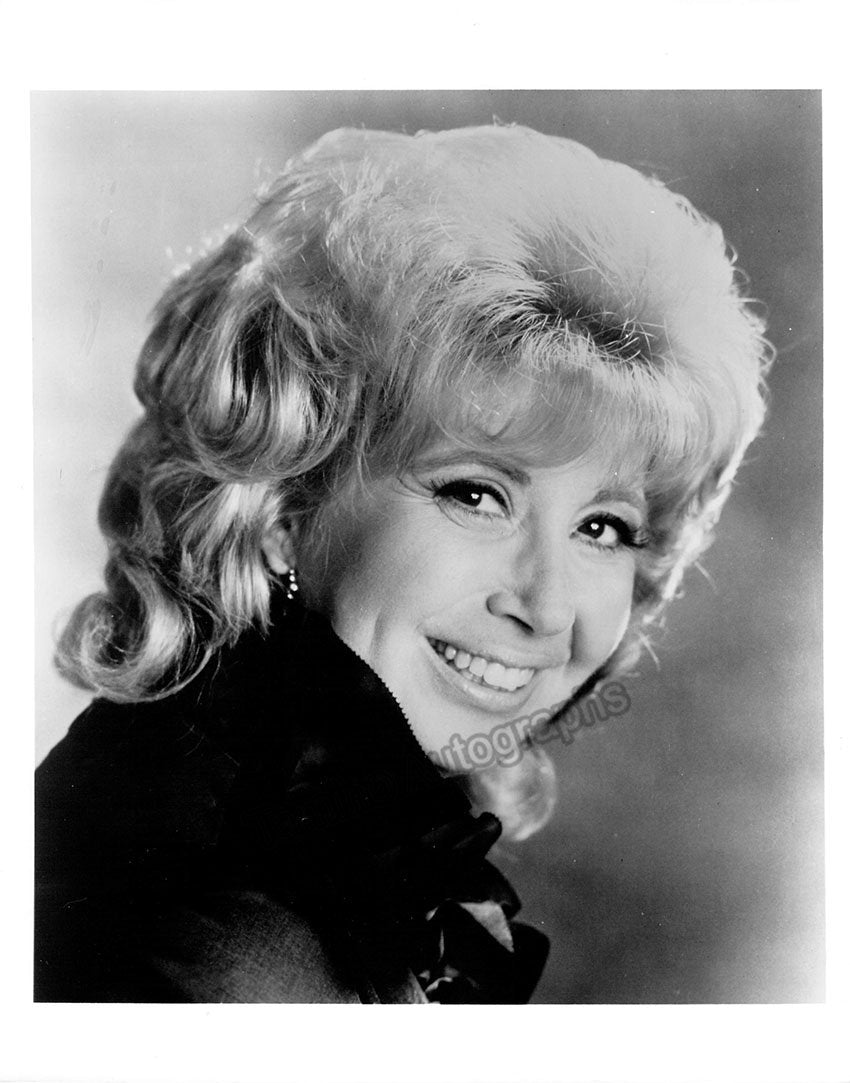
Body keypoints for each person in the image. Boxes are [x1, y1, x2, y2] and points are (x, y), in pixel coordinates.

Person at [34, 123, 770, 1003]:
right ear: (285, 500)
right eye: (476, 493)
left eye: (603, 527)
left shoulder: (319, 848)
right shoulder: (220, 946)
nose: (546, 604)